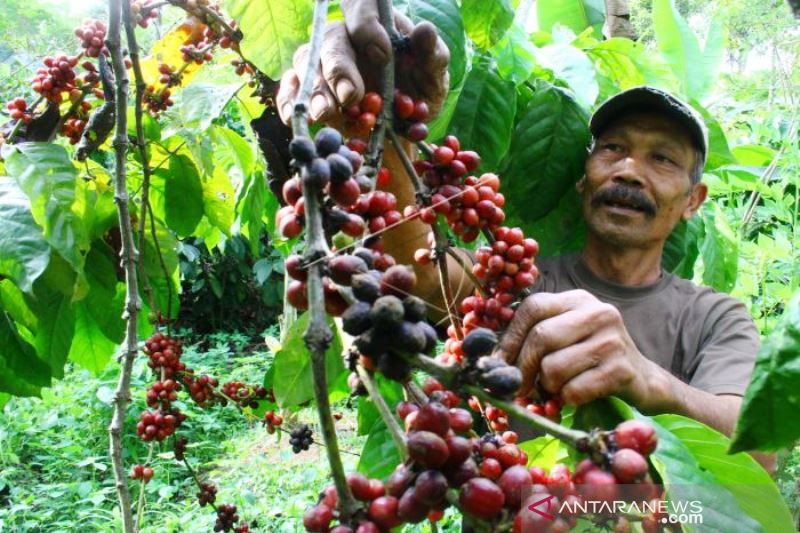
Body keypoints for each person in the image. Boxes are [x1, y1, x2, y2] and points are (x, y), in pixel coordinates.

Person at [277, 0, 772, 469]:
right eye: (613, 149)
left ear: (694, 200)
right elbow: (410, 279)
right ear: (582, 179)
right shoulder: (512, 279)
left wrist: (647, 380)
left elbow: (757, 458)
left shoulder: (713, 317)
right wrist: (386, 120)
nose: (628, 170)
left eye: (661, 158)